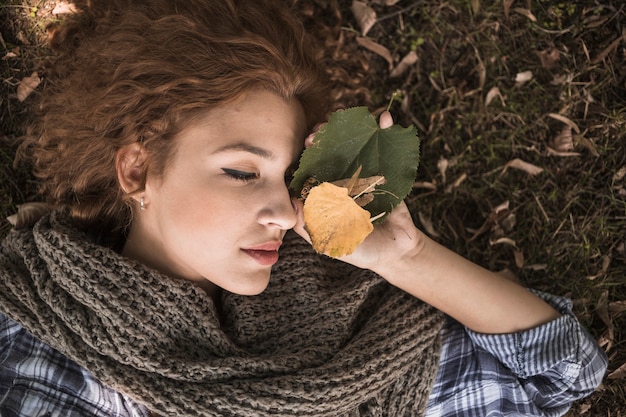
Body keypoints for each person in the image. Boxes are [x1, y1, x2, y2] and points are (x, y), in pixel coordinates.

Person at [0, 0, 607, 416]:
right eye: (242, 171)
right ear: (137, 170)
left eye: (288, 177)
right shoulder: (59, 350)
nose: (286, 214)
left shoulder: (345, 303)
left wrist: (408, 257)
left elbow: (569, 371)